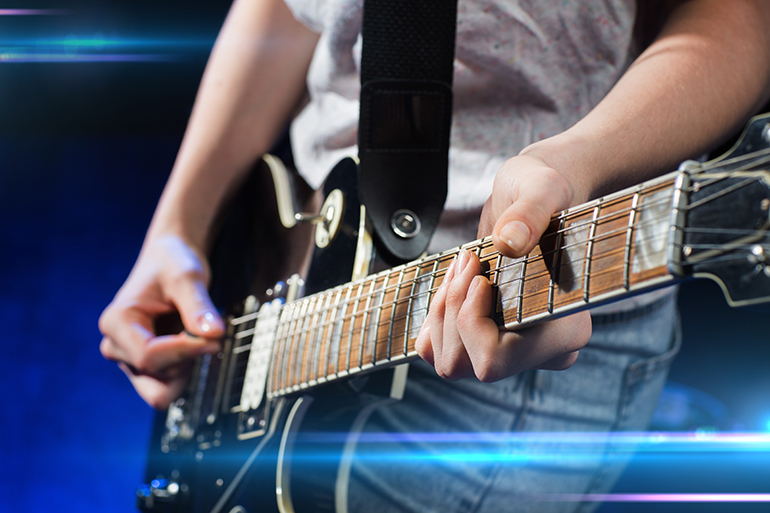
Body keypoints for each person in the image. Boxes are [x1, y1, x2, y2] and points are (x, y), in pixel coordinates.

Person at [100, 0, 770, 511]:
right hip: (294, 255)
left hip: (518, 335)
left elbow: (742, 16)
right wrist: (177, 224)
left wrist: (574, 165)